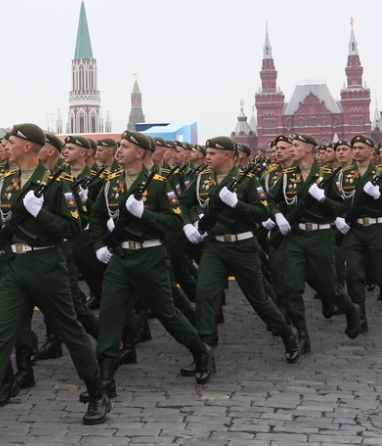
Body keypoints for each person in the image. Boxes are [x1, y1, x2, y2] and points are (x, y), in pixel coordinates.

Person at [0, 124, 110, 441]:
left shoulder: (58, 183)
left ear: (28, 146)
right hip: (13, 266)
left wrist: (40, 214)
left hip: (47, 264)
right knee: (0, 335)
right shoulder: (5, 181)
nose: (6, 146)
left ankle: (98, 393)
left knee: (71, 331)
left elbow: (74, 229)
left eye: (12, 142)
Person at [89, 131, 214, 397]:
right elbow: (97, 216)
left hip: (150, 256)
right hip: (120, 258)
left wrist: (143, 214)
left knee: (167, 313)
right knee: (110, 314)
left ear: (141, 153)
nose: (119, 150)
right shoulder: (112, 182)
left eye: (125, 146)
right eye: (119, 145)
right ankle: (105, 378)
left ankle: (201, 350)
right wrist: (99, 245)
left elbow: (173, 222)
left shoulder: (157, 184)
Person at [179, 136, 300, 371]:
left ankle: (287, 332)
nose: (207, 157)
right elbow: (183, 203)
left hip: (242, 246)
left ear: (227, 155)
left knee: (258, 298)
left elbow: (262, 212)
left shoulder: (247, 179)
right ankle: (204, 353)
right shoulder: (202, 178)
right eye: (207, 153)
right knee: (204, 294)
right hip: (214, 246)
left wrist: (237, 204)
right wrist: (189, 224)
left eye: (212, 153)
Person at [265, 132, 362, 352]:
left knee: (329, 285)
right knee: (292, 286)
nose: (291, 149)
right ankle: (302, 335)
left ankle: (350, 308)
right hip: (294, 237)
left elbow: (342, 207)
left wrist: (323, 199)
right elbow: (270, 199)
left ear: (309, 148)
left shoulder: (326, 175)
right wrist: (278, 215)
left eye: (295, 145)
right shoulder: (288, 175)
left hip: (320, 237)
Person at [334, 135, 381, 332]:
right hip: (353, 230)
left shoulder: (379, 173)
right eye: (354, 148)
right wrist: (337, 217)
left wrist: (379, 196)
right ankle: (360, 318)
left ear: (372, 151)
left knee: (379, 272)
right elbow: (337, 201)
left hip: (377, 229)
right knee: (353, 274)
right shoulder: (343, 175)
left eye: (361, 147)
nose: (357, 151)